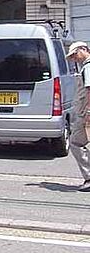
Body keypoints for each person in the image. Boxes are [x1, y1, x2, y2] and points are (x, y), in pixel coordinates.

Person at [67, 41, 90, 192]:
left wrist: (88, 112)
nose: (74, 58)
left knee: (75, 143)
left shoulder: (87, 67)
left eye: (75, 54)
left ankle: (89, 177)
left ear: (83, 49)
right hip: (85, 111)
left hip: (85, 113)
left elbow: (89, 90)